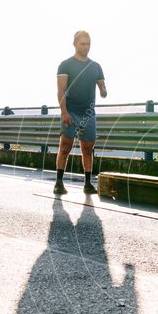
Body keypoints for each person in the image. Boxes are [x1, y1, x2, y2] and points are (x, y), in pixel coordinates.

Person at [54, 30, 107, 195]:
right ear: (75, 44)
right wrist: (64, 112)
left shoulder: (96, 66)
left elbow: (102, 87)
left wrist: (104, 90)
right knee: (65, 147)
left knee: (87, 149)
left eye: (88, 44)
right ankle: (59, 183)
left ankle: (87, 184)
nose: (86, 47)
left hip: (88, 113)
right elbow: (60, 90)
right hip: (70, 111)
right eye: (82, 44)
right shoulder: (66, 64)